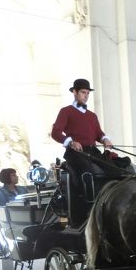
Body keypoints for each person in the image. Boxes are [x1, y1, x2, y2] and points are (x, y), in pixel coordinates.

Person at [51, 78, 124, 226]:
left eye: (87, 93)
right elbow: (56, 132)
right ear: (75, 92)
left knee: (115, 169)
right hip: (75, 152)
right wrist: (71, 142)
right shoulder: (66, 111)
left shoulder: (91, 115)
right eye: (83, 92)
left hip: (92, 151)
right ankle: (91, 208)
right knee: (87, 172)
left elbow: (98, 133)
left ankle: (114, 204)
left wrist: (105, 139)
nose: (86, 96)